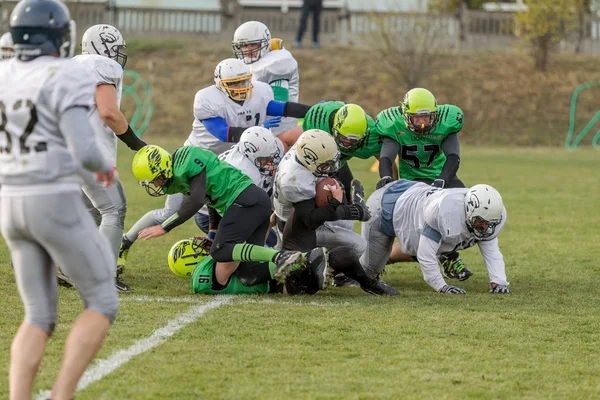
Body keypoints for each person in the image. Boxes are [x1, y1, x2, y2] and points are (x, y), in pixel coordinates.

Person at [0, 1, 119, 399]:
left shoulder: (3, 73)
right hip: (50, 196)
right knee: (102, 301)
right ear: (58, 36)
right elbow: (83, 148)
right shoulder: (64, 72)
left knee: (37, 315)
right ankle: (62, 393)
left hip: (10, 202)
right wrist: (104, 166)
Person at [117, 58, 310, 276]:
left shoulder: (259, 93)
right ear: (220, 85)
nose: (240, 88)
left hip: (235, 162)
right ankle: (125, 242)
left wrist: (314, 111)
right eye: (234, 84)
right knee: (170, 213)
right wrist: (255, 129)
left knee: (259, 208)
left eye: (243, 82)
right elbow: (223, 133)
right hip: (196, 163)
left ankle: (275, 255)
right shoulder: (207, 100)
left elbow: (283, 108)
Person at [131, 144, 309, 288]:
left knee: (220, 251)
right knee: (248, 273)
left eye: (156, 179)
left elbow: (196, 201)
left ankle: (279, 256)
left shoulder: (187, 161)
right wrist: (212, 234)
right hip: (254, 203)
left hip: (246, 199)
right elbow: (210, 201)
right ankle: (305, 267)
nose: (156, 184)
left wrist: (164, 226)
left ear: (163, 167)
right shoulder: (180, 173)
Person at [273, 129, 398, 295]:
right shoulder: (294, 180)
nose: (331, 167)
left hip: (304, 217)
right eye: (325, 164)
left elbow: (335, 170)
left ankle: (335, 269)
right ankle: (332, 268)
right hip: (297, 231)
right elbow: (310, 220)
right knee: (359, 245)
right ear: (309, 161)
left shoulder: (305, 149)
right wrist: (344, 207)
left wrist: (348, 206)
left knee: (347, 223)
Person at [73, 24, 145, 292]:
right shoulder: (102, 66)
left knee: (89, 212)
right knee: (114, 208)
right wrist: (134, 142)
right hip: (89, 152)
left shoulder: (70, 66)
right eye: (115, 49)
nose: (117, 56)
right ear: (102, 47)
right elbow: (109, 113)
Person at [375, 88, 471, 280]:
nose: (421, 123)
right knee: (415, 232)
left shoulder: (447, 121)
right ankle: (375, 260)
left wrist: (443, 180)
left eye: (426, 117)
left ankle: (449, 255)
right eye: (416, 118)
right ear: (405, 115)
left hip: (442, 176)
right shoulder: (393, 123)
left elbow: (453, 156)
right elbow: (386, 157)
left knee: (465, 209)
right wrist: (386, 178)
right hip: (411, 183)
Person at [360, 180, 511, 295]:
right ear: (469, 211)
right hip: (385, 206)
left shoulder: (488, 215)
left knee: (431, 247)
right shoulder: (444, 212)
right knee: (367, 272)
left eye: (489, 223)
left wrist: (499, 282)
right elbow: (425, 255)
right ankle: (339, 264)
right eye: (480, 222)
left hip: (412, 198)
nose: (485, 227)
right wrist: (442, 287)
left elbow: (492, 252)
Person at [194, 126, 284, 248]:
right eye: (264, 159)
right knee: (252, 248)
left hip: (226, 204)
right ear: (251, 154)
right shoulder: (244, 171)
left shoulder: (252, 153)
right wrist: (213, 233)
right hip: (213, 213)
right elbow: (215, 202)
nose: (269, 162)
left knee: (269, 239)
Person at [232, 21, 300, 134]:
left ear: (265, 44)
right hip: (256, 126)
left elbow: (278, 105)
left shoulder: (277, 63)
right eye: (244, 45)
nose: (248, 50)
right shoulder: (250, 63)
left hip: (278, 129)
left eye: (253, 44)